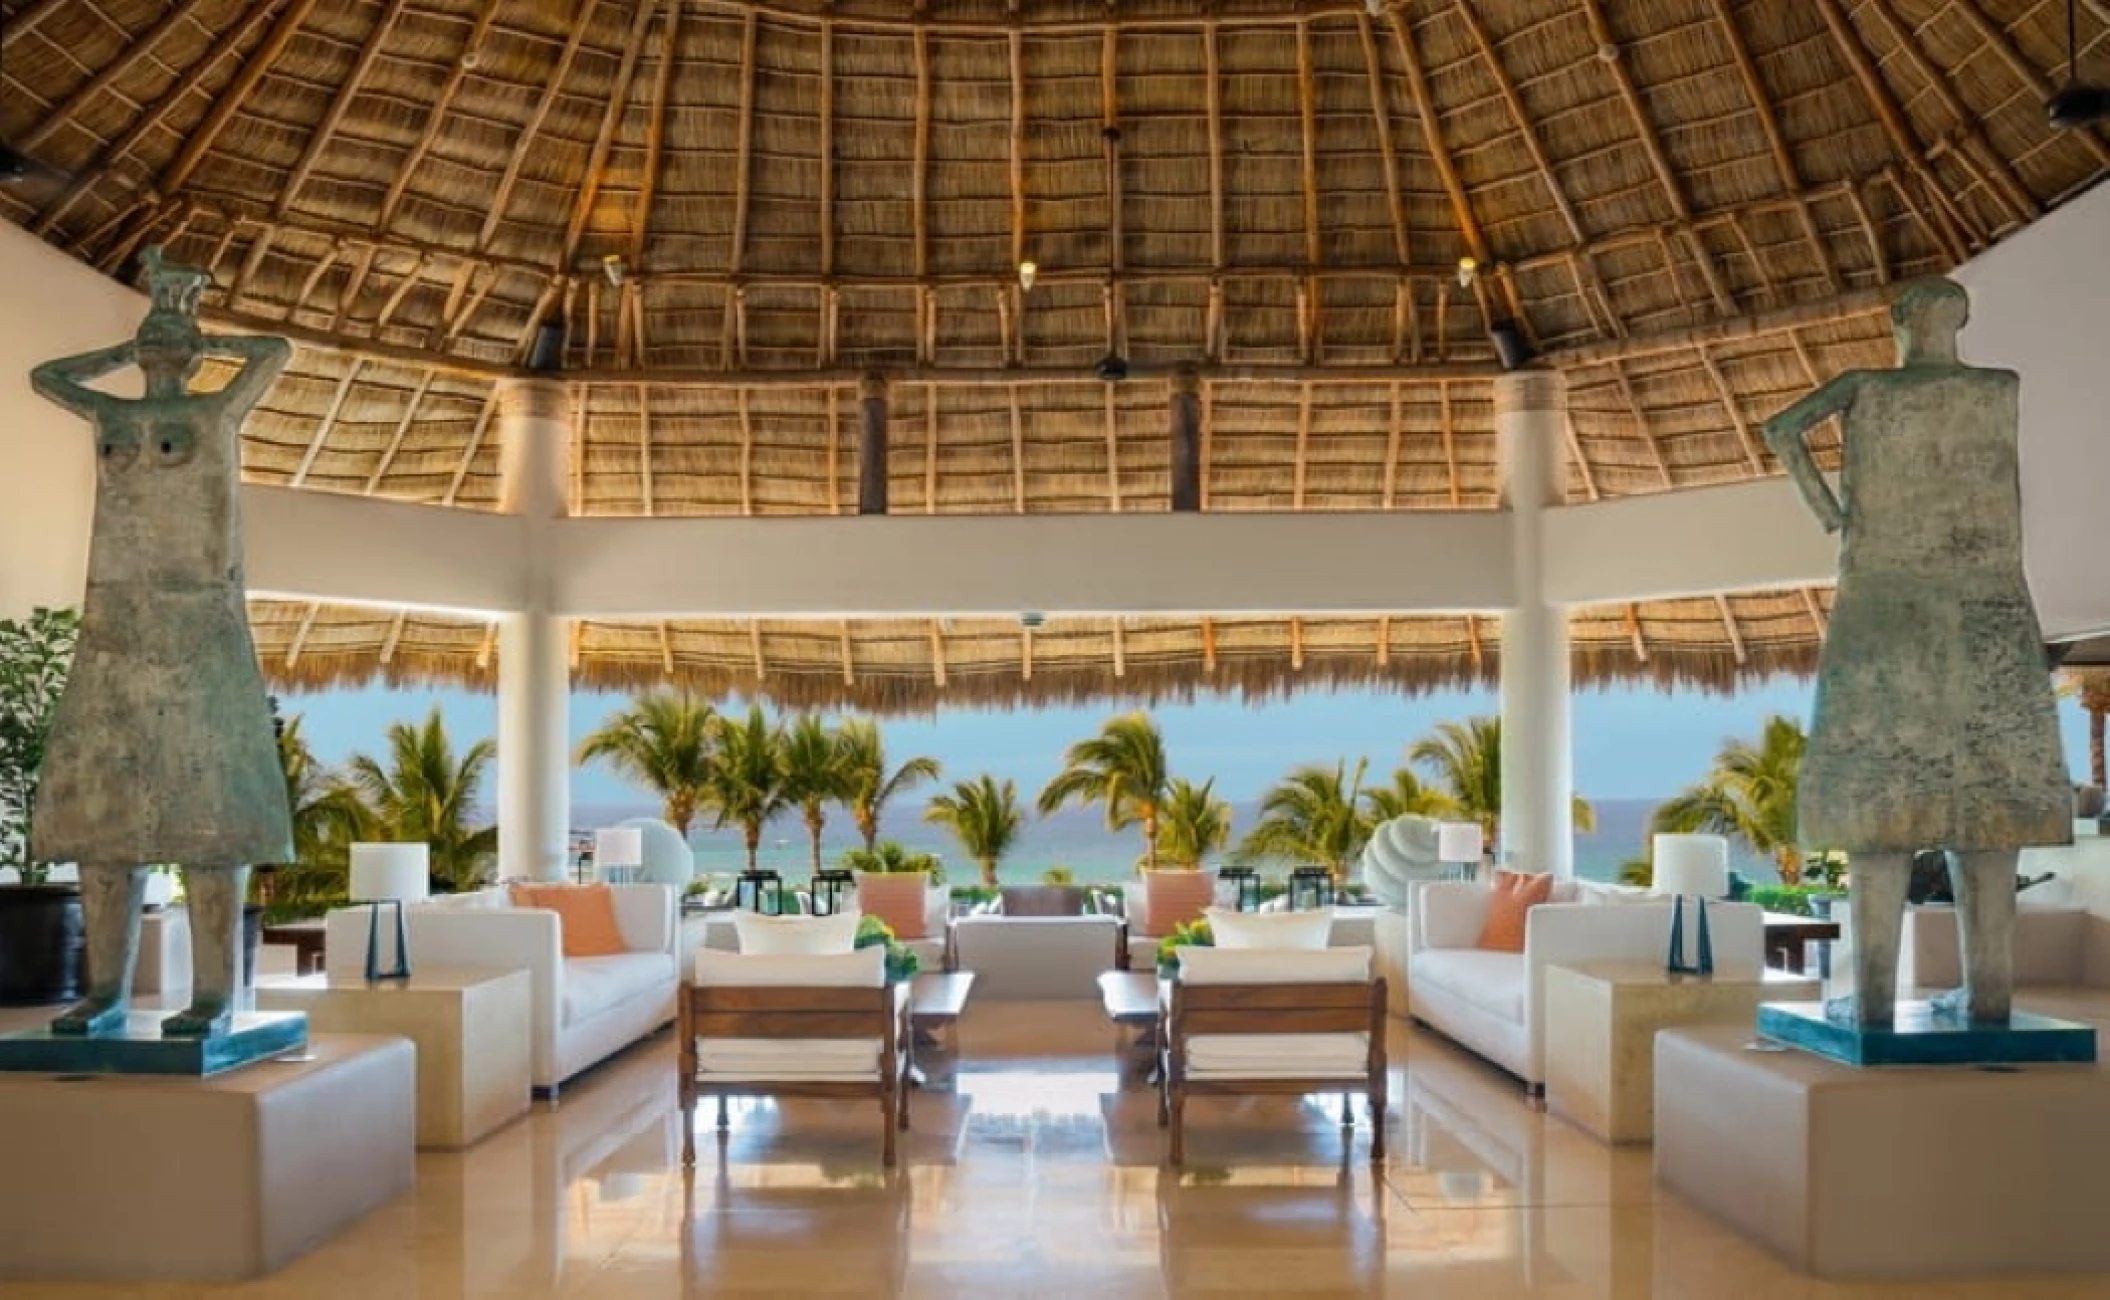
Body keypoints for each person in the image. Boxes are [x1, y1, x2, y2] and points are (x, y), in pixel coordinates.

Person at [1765, 276, 2069, 1029]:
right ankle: (1991, 1000)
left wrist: (1833, 514)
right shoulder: (1997, 388)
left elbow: (1782, 431)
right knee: (1990, 824)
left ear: (1902, 321)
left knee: (1880, 817)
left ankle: (1869, 1002)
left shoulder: (1867, 386)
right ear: (1959, 319)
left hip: (1883, 600)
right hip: (1990, 606)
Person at [28, 247, 293, 1039]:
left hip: (199, 621)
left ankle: (212, 994)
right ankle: (103, 990)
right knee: (106, 832)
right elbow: (49, 379)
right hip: (116, 623)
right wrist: (123, 352)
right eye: (152, 339)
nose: (158, 348)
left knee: (210, 820)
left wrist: (199, 337)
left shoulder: (210, 417)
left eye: (165, 340)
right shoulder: (116, 418)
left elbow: (273, 354)